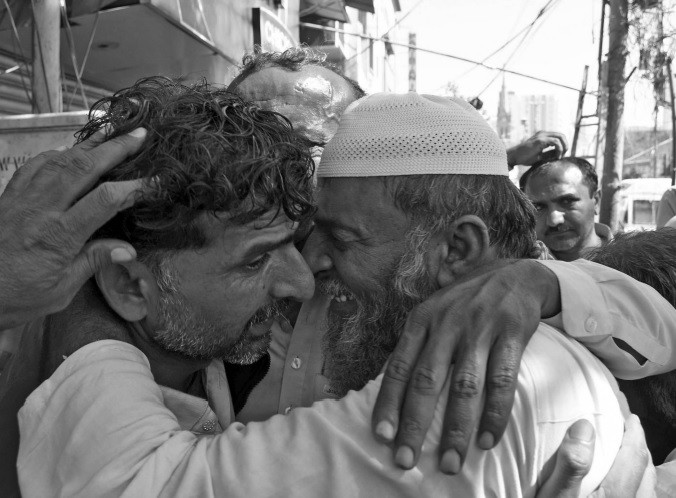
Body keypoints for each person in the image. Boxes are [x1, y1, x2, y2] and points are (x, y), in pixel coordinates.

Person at [17, 91, 655, 497]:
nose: (306, 270)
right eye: (272, 248)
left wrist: (67, 292)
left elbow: (144, 485)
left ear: (456, 250)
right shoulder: (349, 304)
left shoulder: (489, 374)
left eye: (338, 238)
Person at [520, 157, 611, 261]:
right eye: (538, 207)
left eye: (567, 201)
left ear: (596, 201)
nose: (554, 221)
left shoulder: (630, 261)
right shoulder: (518, 269)